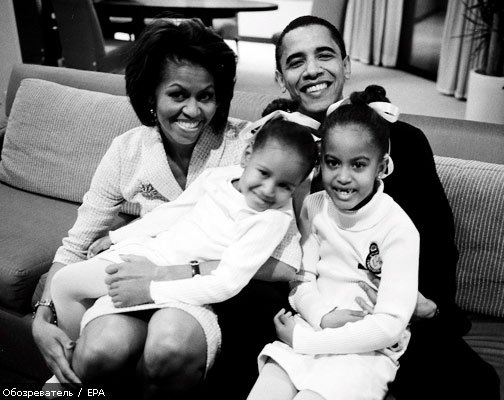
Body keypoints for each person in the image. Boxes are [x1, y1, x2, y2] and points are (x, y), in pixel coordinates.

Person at [31, 18, 299, 399]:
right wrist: (43, 317)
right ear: (151, 95)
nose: (193, 110)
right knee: (99, 350)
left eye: (206, 96)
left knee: (168, 346)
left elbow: (284, 262)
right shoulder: (128, 150)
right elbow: (78, 242)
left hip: (199, 293)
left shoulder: (248, 149)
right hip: (133, 278)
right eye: (178, 95)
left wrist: (170, 273)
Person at [264, 15, 499, 400]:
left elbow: (437, 237)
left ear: (346, 65)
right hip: (308, 304)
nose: (312, 70)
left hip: (392, 312)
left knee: (473, 384)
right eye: (296, 61)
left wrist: (429, 305)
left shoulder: (401, 140)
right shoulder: (273, 146)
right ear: (280, 78)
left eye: (325, 55)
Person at [48, 117, 317, 380]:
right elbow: (173, 212)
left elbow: (227, 283)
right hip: (152, 252)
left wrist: (150, 290)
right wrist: (117, 236)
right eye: (264, 173)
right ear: (247, 155)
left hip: (183, 281)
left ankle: (67, 381)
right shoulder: (219, 176)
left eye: (285, 186)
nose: (269, 190)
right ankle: (67, 367)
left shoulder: (271, 220)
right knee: (64, 282)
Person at [248, 87, 419, 400]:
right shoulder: (314, 206)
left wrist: (307, 341)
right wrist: (322, 317)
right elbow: (301, 280)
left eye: (358, 165)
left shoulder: (399, 228)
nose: (342, 176)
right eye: (332, 162)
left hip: (365, 351)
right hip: (311, 328)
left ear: (382, 167)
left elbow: (389, 325)